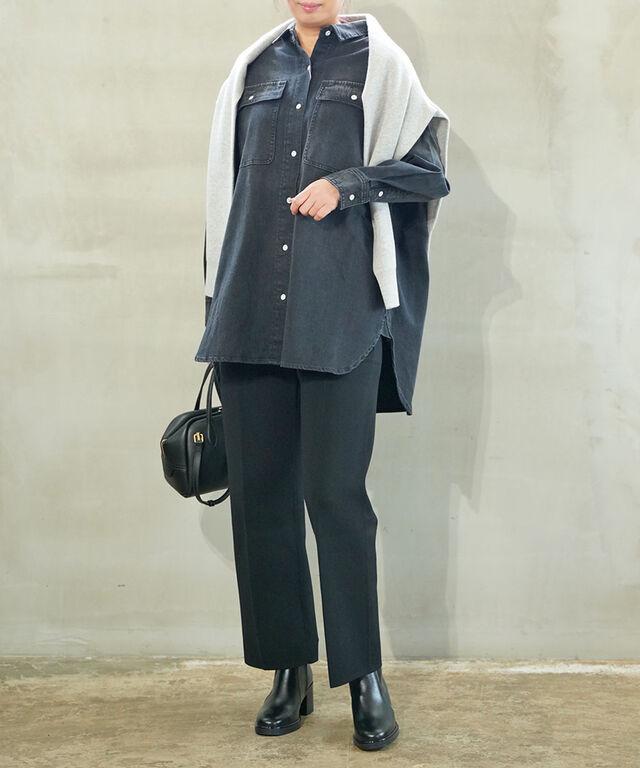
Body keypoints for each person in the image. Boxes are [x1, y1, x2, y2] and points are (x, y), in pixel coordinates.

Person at [194, 0, 451, 751]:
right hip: (249, 315)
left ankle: (364, 675)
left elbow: (430, 175)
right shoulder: (251, 71)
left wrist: (349, 184)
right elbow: (227, 199)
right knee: (261, 501)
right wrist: (214, 303)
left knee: (336, 498)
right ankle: (289, 670)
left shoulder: (381, 64)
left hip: (340, 314)